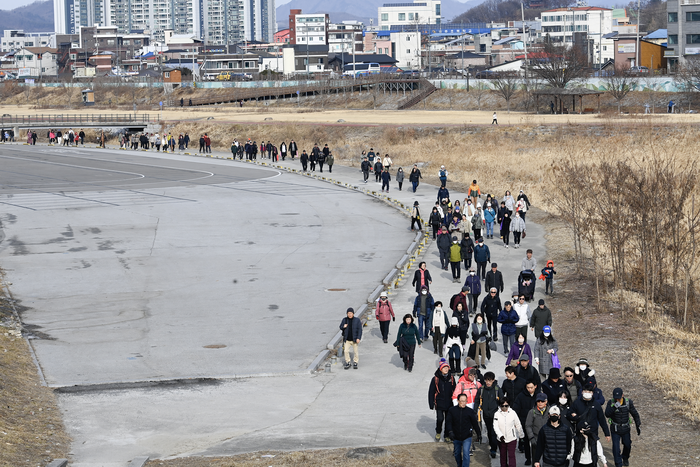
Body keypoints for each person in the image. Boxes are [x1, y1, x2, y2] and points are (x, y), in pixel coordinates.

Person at [604, 388, 641, 467]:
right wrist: (614, 407)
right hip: (615, 429)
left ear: (623, 395)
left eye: (619, 398)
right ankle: (618, 464)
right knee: (616, 448)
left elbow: (635, 414)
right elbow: (607, 414)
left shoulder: (628, 403)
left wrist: (638, 425)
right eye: (615, 398)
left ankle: (625, 457)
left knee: (627, 445)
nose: (617, 399)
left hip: (625, 429)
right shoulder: (611, 402)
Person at [446, 392, 482, 467]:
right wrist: (450, 432)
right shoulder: (452, 410)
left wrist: (479, 434)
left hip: (467, 436)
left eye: (465, 401)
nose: (463, 403)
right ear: (458, 401)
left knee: (466, 453)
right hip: (456, 436)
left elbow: (475, 424)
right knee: (457, 453)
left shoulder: (470, 411)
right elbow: (448, 422)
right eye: (461, 401)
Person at [477, 371, 504, 458]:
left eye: (490, 380)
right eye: (486, 380)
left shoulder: (497, 389)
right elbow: (477, 400)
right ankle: (492, 444)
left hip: (495, 414)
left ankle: (493, 449)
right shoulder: (481, 389)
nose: (488, 382)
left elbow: (502, 401)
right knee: (489, 431)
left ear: (493, 380)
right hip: (486, 414)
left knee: (493, 432)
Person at [429, 361, 456, 442]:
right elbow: (431, 392)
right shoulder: (435, 379)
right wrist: (431, 403)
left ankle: (446, 435)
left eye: (447, 367)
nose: (446, 369)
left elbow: (455, 390)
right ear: (440, 369)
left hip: (449, 403)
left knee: (448, 420)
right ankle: (438, 432)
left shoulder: (451, 378)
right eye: (444, 367)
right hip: (439, 403)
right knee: (440, 419)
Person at [513, 380, 538, 464]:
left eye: (531, 387)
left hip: (537, 422)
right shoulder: (521, 396)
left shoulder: (538, 396)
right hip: (525, 422)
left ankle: (536, 459)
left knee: (537, 441)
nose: (529, 389)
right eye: (528, 387)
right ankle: (528, 458)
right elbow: (516, 409)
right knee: (527, 441)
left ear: (535, 386)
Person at [494, 397, 524, 467]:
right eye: (502, 405)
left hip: (512, 439)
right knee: (503, 456)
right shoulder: (497, 414)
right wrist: (500, 435)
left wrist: (521, 436)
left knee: (511, 456)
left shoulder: (513, 413)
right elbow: (495, 426)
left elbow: (518, 424)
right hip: (501, 440)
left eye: (506, 405)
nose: (504, 407)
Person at [527, 393, 550, 464]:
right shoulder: (532, 412)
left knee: (548, 461)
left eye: (542, 401)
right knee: (536, 461)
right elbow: (528, 425)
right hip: (536, 439)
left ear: (546, 401)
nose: (540, 403)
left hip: (548, 439)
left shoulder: (550, 411)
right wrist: (531, 438)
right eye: (538, 401)